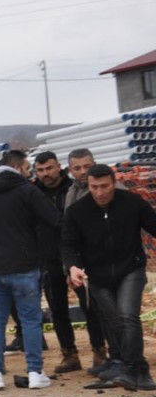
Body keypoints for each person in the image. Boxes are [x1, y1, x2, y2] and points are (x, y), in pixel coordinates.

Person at [0, 150, 59, 391]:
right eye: (28, 167)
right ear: (18, 167)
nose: (29, 171)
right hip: (26, 267)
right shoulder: (28, 191)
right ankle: (35, 372)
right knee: (30, 320)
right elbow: (53, 219)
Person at [62, 164, 156, 391]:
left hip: (130, 270)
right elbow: (68, 244)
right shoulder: (77, 211)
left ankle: (132, 369)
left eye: (105, 186)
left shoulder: (132, 203)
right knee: (115, 322)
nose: (100, 192)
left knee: (127, 316)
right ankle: (137, 369)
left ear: (113, 183)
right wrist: (72, 267)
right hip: (98, 275)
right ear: (89, 186)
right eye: (95, 187)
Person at [63, 148, 114, 375]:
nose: (83, 171)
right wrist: (70, 266)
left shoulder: (111, 190)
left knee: (114, 312)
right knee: (90, 311)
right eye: (77, 168)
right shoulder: (71, 193)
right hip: (82, 267)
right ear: (71, 170)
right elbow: (69, 235)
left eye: (87, 166)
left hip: (110, 263)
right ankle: (99, 353)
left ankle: (122, 356)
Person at [32, 151, 81, 372]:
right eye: (41, 170)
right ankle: (69, 354)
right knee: (57, 309)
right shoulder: (32, 194)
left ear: (58, 167)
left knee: (91, 307)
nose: (46, 174)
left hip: (77, 257)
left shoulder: (73, 188)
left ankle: (101, 353)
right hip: (48, 258)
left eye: (49, 168)